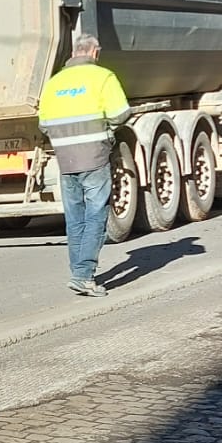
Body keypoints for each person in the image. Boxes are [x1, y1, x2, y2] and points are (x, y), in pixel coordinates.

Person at [37, 32, 131, 296]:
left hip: (65, 160)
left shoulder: (54, 82)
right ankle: (84, 275)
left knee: (75, 218)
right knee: (95, 215)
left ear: (74, 52)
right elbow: (120, 114)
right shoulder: (103, 77)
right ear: (94, 52)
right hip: (94, 158)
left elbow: (44, 125)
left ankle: (77, 271)